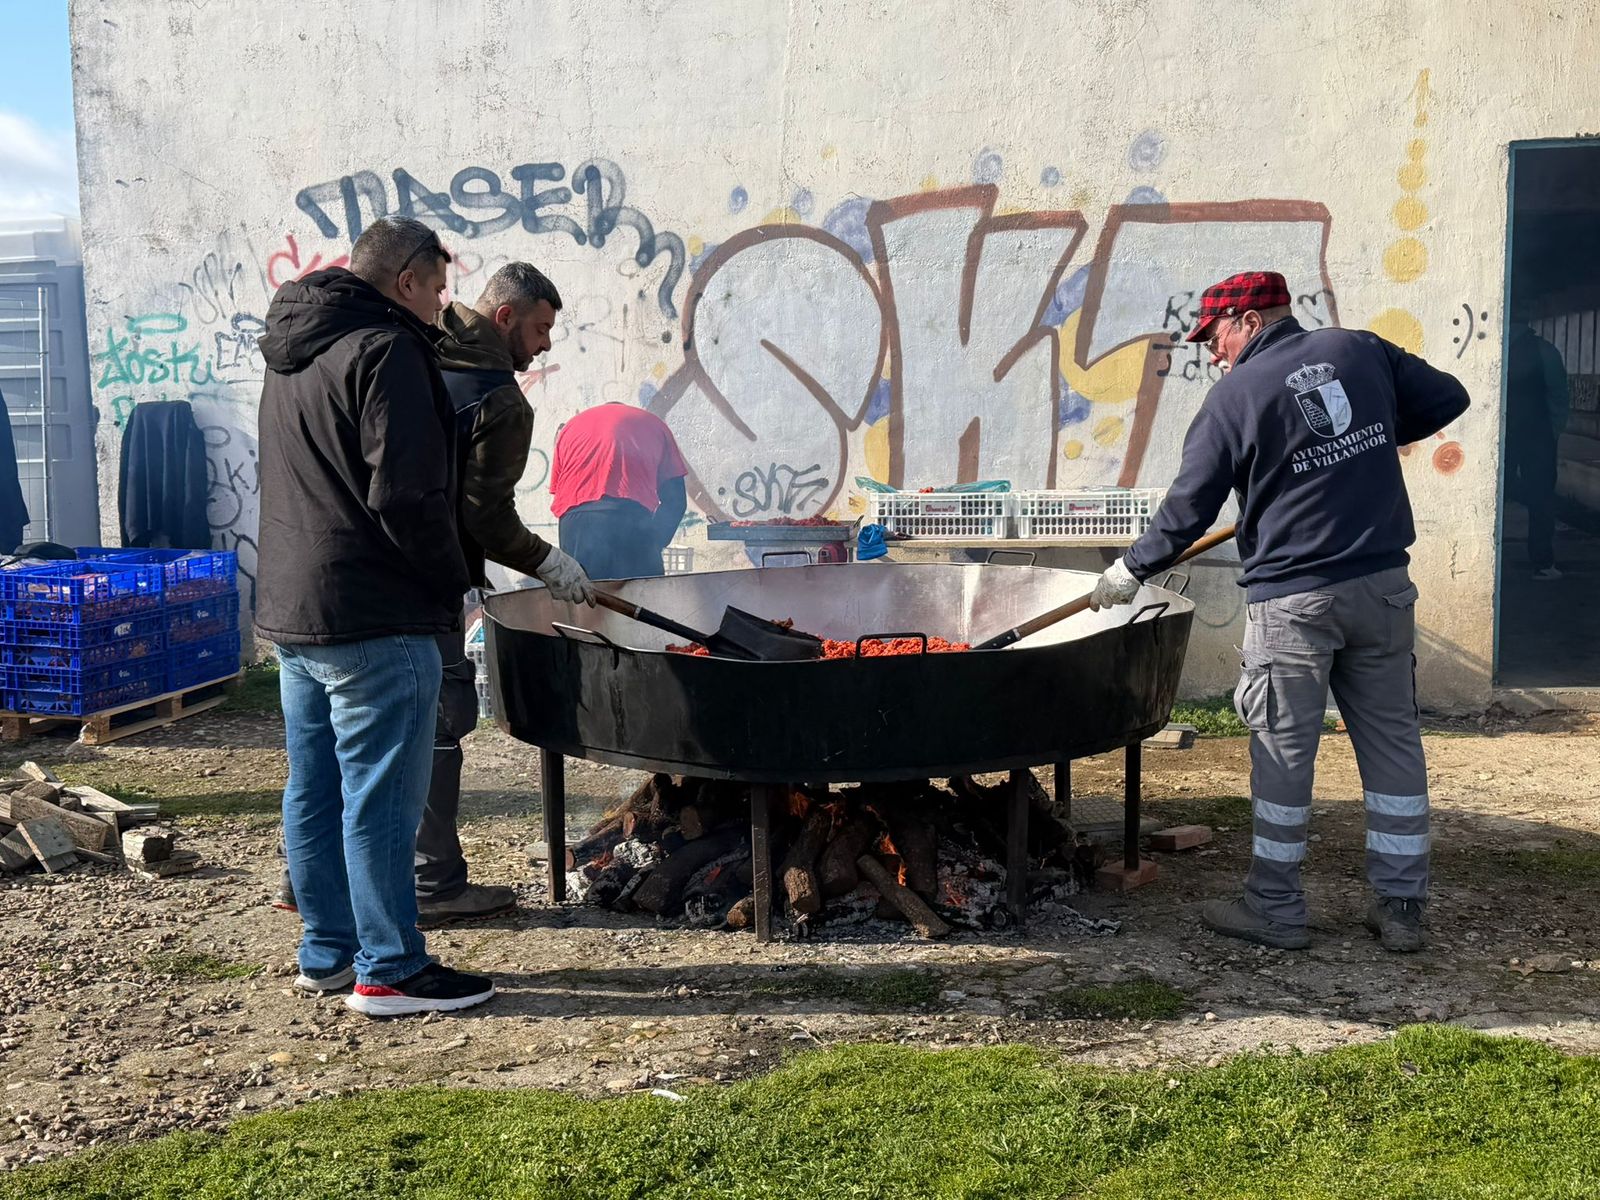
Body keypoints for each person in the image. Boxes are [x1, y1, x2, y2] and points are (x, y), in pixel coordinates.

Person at [1088, 271, 1469, 954]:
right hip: (1382, 587)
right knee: (1392, 745)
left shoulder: (1236, 396)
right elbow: (1450, 395)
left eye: (1216, 337)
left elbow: (1188, 510)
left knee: (1283, 750)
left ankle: (1274, 907)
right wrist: (1371, 434)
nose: (1213, 353)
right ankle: (1402, 907)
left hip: (1293, 601)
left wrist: (1130, 568)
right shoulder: (1360, 350)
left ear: (1250, 320)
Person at [256, 215, 494, 1016]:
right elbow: (407, 495)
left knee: (315, 787)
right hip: (374, 613)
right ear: (405, 282)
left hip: (299, 611)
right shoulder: (388, 349)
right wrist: (452, 581)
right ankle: (389, 967)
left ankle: (326, 952)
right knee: (382, 796)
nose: (441, 302)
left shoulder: (296, 350)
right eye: (437, 286)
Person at [418, 262, 596, 922]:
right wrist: (547, 561)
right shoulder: (499, 399)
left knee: (342, 729)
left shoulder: (408, 348)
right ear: (504, 318)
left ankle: (308, 879)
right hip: (423, 580)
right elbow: (483, 518)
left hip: (349, 572)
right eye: (541, 328)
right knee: (439, 725)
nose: (546, 344)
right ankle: (433, 883)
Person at [550, 402, 689, 579]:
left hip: (576, 525)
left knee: (584, 599)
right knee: (641, 599)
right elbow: (676, 502)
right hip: (630, 520)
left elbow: (559, 490)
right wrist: (654, 543)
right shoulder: (654, 424)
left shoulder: (571, 427)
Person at [1504, 321, 1569, 580]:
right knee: (1541, 497)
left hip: (1503, 434)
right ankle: (1543, 563)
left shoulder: (1495, 348)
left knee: (1497, 489)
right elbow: (1559, 395)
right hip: (1538, 434)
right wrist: (1552, 431)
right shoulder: (1546, 351)